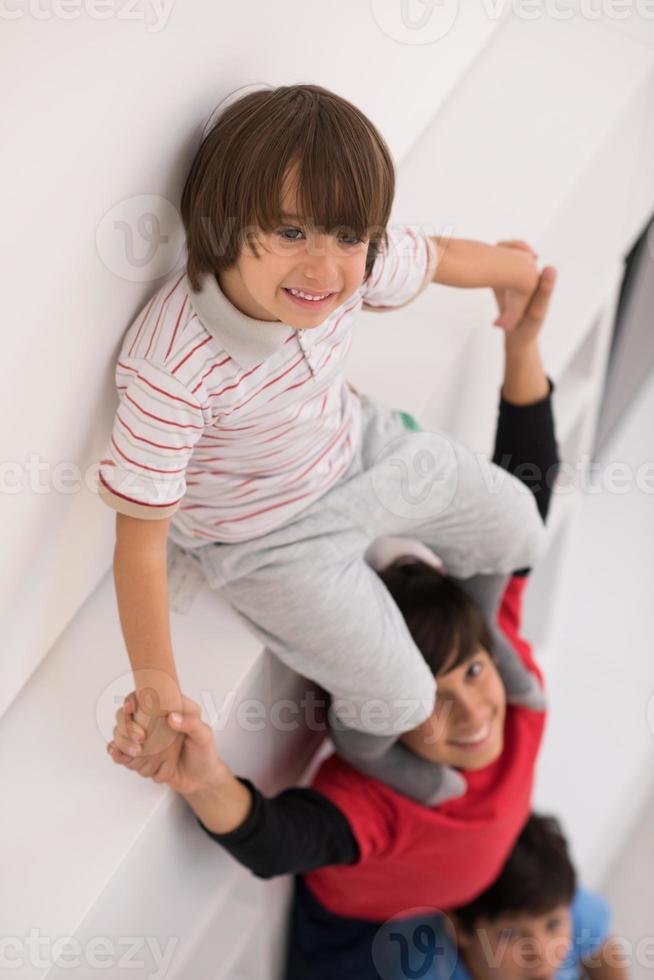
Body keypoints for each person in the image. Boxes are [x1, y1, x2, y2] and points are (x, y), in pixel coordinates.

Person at [96, 81, 548, 804]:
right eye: (291, 233)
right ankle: (367, 744)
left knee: (518, 523)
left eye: (347, 237)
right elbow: (139, 546)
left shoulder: (353, 268)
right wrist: (158, 694)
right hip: (267, 539)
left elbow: (435, 258)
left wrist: (520, 274)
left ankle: (481, 637)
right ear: (221, 223)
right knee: (403, 699)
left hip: (359, 449)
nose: (326, 269)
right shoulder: (173, 364)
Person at [107, 266, 561, 980]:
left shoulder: (513, 692)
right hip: (361, 931)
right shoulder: (380, 801)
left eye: (472, 672)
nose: (473, 708)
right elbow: (279, 845)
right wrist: (202, 778)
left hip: (468, 890)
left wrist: (524, 344)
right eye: (435, 699)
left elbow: (527, 493)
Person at [383, 813, 629, 980]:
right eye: (510, 934)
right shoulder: (420, 970)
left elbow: (601, 949)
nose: (541, 952)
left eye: (552, 925)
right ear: (458, 928)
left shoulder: (555, 902)